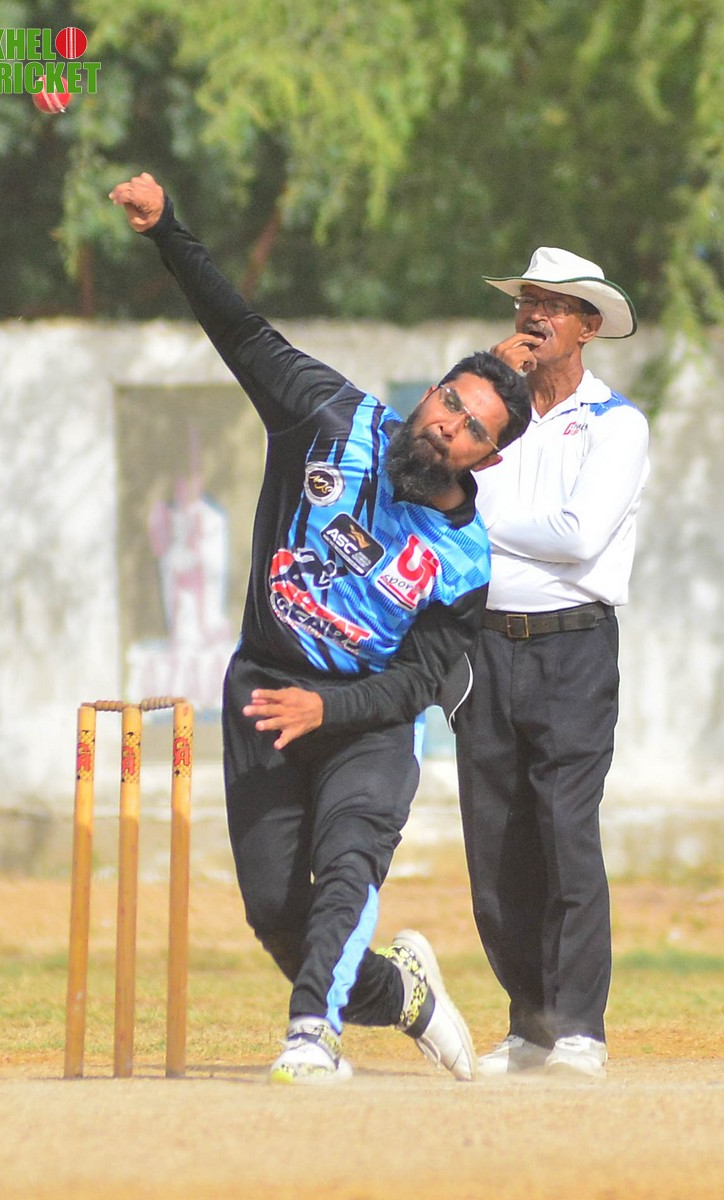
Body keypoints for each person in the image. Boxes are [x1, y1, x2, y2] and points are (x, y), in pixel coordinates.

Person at [110, 173, 531, 1084]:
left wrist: (330, 710)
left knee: (347, 866)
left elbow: (419, 682)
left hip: (367, 723)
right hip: (265, 689)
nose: (448, 428)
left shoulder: (464, 560)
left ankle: (312, 1036)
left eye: (472, 430)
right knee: (275, 914)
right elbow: (241, 331)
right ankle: (406, 995)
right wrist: (168, 230)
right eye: (449, 404)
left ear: (489, 459)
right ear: (430, 394)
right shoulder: (327, 416)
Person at [446, 247, 649, 1078]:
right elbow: (431, 471)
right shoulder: (492, 413)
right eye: (527, 300)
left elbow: (577, 535)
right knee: (495, 849)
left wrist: (473, 512)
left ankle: (578, 1029)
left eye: (554, 304)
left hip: (573, 648)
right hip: (484, 645)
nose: (534, 315)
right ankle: (530, 1027)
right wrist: (485, 389)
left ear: (588, 326)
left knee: (566, 833)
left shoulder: (615, 422)